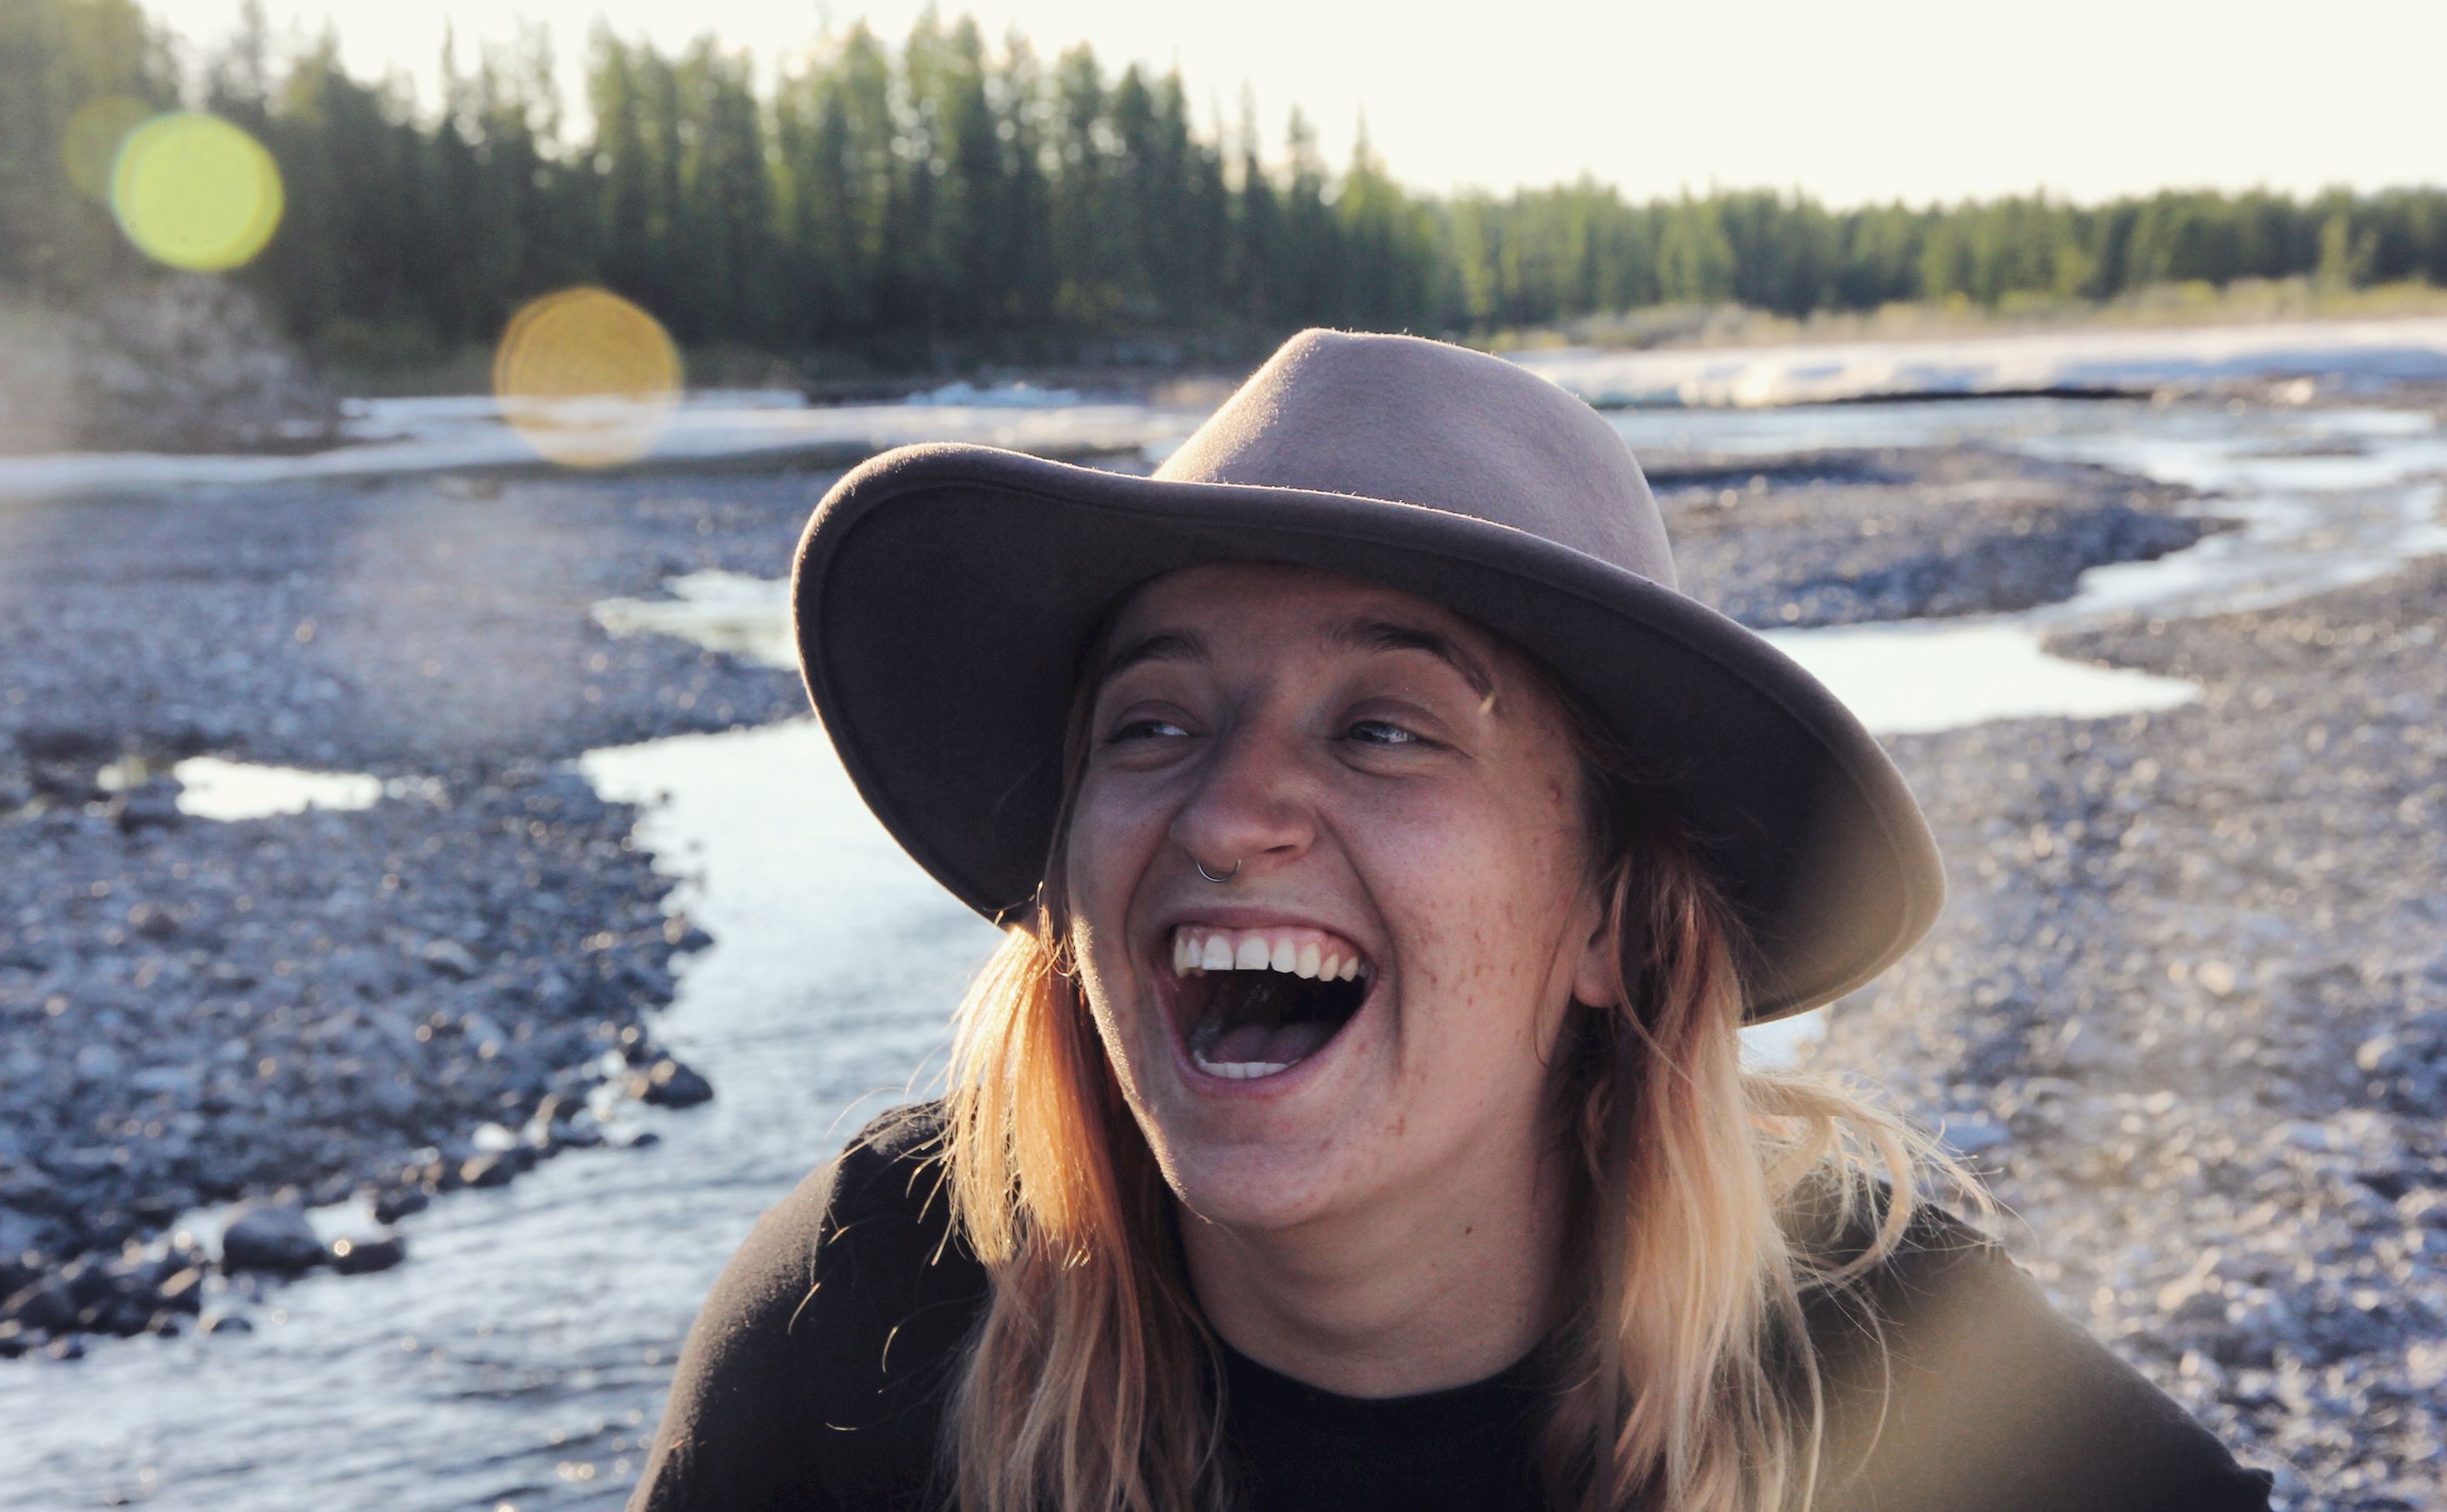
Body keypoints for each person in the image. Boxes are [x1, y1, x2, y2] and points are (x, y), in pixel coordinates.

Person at [628, 331, 2269, 1512]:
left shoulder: (1891, 1375)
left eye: (1383, 727)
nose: (1227, 814)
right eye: (1154, 722)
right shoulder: (871, 1321)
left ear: (1611, 920)